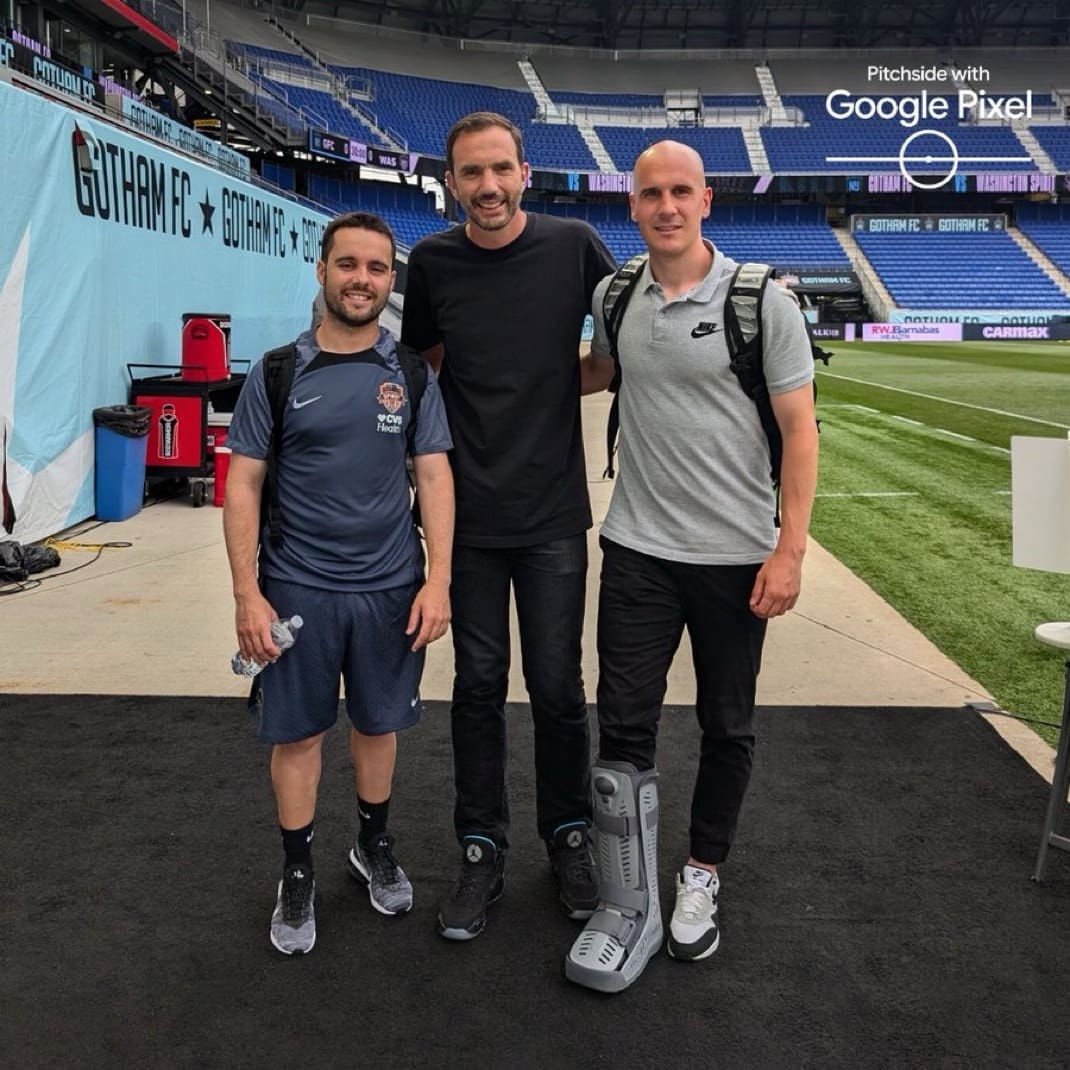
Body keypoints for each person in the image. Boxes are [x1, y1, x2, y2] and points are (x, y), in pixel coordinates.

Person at [565, 141, 819, 992]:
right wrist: (495, 368)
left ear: (706, 199)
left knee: (726, 725)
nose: (665, 206)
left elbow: (800, 431)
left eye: (680, 192)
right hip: (638, 546)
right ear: (630, 207)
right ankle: (625, 893)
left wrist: (789, 550)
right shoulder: (617, 291)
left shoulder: (760, 301)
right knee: (625, 725)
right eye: (649, 194)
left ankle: (702, 874)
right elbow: (599, 373)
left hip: (736, 555)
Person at [401, 112, 616, 940]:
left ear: (525, 172)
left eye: (500, 170)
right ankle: (481, 848)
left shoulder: (573, 245)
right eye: (469, 173)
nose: (486, 187)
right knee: (479, 688)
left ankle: (567, 837)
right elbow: (425, 365)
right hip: (470, 518)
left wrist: (569, 382)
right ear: (450, 182)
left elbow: (616, 343)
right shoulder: (433, 261)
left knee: (560, 690)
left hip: (555, 514)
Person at [224, 211, 455, 955]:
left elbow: (434, 476)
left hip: (391, 589)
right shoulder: (277, 371)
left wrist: (439, 579)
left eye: (377, 268)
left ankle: (372, 846)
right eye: (348, 264)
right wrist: (246, 593)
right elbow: (243, 487)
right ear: (321, 270)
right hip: (297, 590)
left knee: (379, 724)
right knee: (298, 734)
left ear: (392, 280)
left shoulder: (412, 373)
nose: (362, 279)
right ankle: (298, 872)